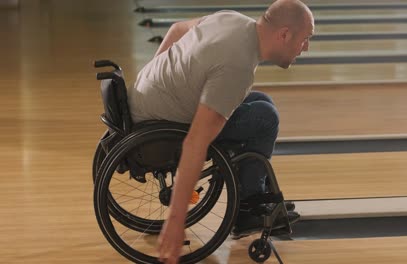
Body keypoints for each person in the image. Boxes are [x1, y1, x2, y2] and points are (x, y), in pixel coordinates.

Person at [127, 0, 314, 262]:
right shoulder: (237, 66)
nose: (306, 48)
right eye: (305, 39)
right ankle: (247, 207)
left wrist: (157, 73)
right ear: (284, 34)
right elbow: (195, 143)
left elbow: (177, 28)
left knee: (262, 103)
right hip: (161, 126)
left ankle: (251, 194)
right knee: (265, 117)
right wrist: (176, 220)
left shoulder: (233, 19)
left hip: (145, 101)